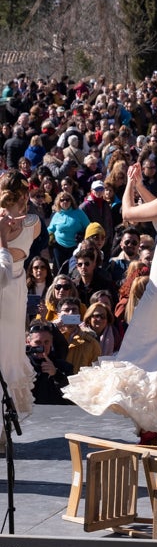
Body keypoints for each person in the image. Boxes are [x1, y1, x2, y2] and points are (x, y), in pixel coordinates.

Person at [64, 152, 157, 447]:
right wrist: (139, 184)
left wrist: (129, 189)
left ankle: (148, 427)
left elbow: (128, 214)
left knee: (138, 350)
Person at [0, 173, 41, 417]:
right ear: (25, 195)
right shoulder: (33, 223)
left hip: (4, 287)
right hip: (15, 294)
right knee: (9, 355)